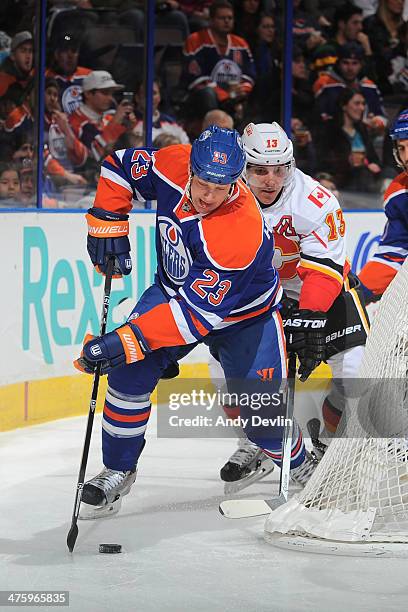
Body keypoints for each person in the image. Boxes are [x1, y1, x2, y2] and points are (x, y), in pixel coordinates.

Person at [73, 125, 312, 519]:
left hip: (243, 319)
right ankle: (118, 469)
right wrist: (107, 220)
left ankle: (302, 465)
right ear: (191, 169)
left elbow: (193, 319)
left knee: (261, 415)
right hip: (172, 291)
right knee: (127, 376)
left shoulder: (240, 229)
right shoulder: (171, 162)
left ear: (237, 182)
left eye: (222, 188)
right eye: (202, 183)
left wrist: (124, 341)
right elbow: (118, 167)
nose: (208, 196)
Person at [215, 121, 369, 486]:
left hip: (322, 289)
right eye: (259, 170)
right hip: (258, 294)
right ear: (241, 166)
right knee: (229, 378)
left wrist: (310, 318)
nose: (271, 179)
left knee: (356, 371)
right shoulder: (223, 195)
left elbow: (327, 269)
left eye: (279, 169)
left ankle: (334, 446)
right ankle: (257, 444)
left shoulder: (315, 200)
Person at [181, 0, 256, 132]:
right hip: (203, 99)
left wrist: (241, 91)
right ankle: (211, 133)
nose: (227, 21)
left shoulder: (241, 44)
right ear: (211, 20)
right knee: (207, 94)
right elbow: (196, 78)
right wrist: (224, 95)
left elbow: (249, 74)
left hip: (234, 96)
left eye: (230, 18)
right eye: (222, 18)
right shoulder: (196, 40)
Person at [359, 109, 408, 301]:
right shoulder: (398, 193)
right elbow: (395, 252)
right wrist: (362, 289)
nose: (406, 157)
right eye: (402, 148)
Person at [314, 88, 382, 192]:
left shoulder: (363, 130)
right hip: (339, 184)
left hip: (364, 183)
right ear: (344, 106)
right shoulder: (330, 129)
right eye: (357, 103)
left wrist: (372, 164)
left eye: (363, 104)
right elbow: (321, 161)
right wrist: (348, 161)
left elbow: (374, 160)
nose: (362, 108)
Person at [0, 31, 33, 99]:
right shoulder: (2, 81)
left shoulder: (34, 81)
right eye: (23, 51)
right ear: (12, 56)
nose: (28, 56)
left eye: (30, 51)